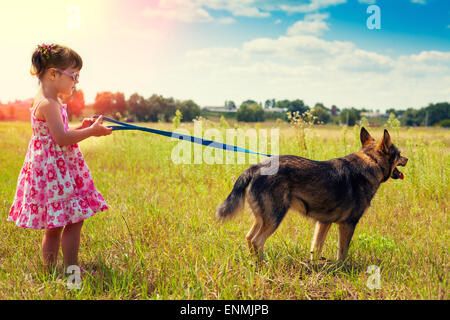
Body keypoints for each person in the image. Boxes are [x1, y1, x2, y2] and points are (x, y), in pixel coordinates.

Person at [7, 43, 112, 272]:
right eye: (74, 76)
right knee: (73, 220)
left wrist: (80, 126)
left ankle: (49, 270)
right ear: (54, 74)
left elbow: (59, 131)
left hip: (54, 169)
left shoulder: (47, 102)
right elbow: (62, 138)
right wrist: (91, 132)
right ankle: (71, 268)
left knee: (55, 224)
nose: (76, 82)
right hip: (56, 171)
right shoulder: (49, 103)